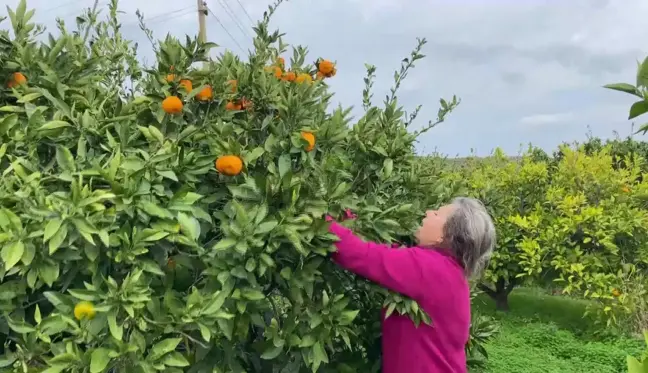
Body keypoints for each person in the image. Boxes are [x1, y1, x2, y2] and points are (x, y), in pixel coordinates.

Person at [328, 197, 495, 373]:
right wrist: (349, 219)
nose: (428, 212)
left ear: (444, 235)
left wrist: (319, 221)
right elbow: (384, 252)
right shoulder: (447, 270)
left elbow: (359, 254)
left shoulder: (429, 268)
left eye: (437, 213)